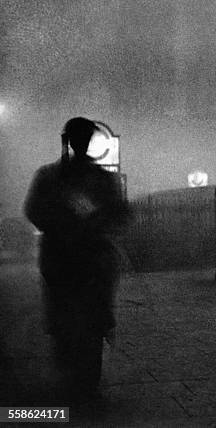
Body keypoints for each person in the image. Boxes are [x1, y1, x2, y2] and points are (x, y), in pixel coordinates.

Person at [24, 117, 129, 399]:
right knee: (76, 317)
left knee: (82, 318)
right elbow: (35, 210)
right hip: (77, 259)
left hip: (74, 260)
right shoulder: (97, 178)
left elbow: (34, 210)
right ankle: (79, 374)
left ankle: (77, 374)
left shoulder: (50, 176)